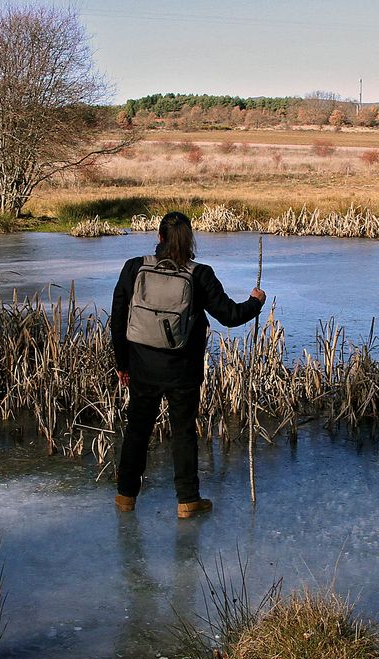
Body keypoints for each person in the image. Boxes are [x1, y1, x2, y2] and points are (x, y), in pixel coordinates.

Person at [110, 211, 265, 518]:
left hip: (142, 366)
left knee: (137, 429)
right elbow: (230, 316)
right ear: (190, 239)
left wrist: (122, 364)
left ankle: (126, 497)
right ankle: (188, 501)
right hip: (183, 370)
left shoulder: (134, 268)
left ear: (159, 237)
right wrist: (255, 302)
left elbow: (118, 320)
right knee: (183, 433)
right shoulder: (200, 274)